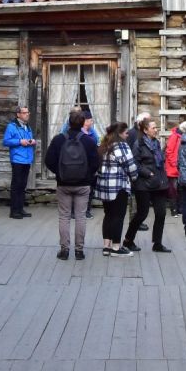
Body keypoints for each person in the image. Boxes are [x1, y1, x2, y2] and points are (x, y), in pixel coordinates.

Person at [44, 108, 99, 260]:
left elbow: (48, 161)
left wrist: (59, 172)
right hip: (83, 184)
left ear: (68, 122)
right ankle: (79, 251)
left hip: (63, 184)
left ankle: (64, 250)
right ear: (82, 122)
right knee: (81, 217)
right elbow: (96, 162)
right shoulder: (89, 141)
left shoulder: (58, 139)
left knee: (64, 217)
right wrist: (87, 175)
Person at [123, 115, 170, 252]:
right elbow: (135, 163)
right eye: (153, 128)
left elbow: (160, 161)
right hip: (144, 184)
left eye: (156, 127)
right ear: (145, 130)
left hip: (159, 182)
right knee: (142, 214)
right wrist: (148, 173)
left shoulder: (156, 143)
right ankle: (128, 240)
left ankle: (157, 243)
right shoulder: (139, 144)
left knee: (161, 213)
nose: (156, 130)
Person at [94, 122, 136, 257]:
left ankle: (106, 246)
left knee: (108, 215)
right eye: (126, 132)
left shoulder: (104, 145)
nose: (127, 135)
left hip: (104, 185)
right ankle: (116, 248)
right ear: (120, 133)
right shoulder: (122, 146)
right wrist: (134, 177)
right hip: (118, 186)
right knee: (118, 216)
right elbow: (130, 166)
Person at [2, 104, 37, 218]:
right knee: (16, 185)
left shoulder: (28, 126)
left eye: (28, 113)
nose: (27, 115)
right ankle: (14, 211)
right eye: (25, 113)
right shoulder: (11, 126)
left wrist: (32, 141)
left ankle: (20, 209)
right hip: (17, 159)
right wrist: (19, 141)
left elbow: (27, 139)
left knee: (22, 185)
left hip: (27, 160)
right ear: (18, 114)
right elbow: (6, 141)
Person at [81, 112, 99, 218]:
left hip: (91, 166)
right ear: (85, 121)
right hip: (82, 165)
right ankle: (78, 211)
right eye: (90, 120)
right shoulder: (80, 133)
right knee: (82, 189)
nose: (92, 122)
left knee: (90, 189)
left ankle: (87, 210)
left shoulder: (92, 131)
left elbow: (96, 142)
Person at [164, 121, 182, 215]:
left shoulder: (179, 136)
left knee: (178, 189)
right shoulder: (175, 136)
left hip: (177, 167)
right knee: (173, 189)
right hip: (172, 167)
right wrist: (174, 163)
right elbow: (169, 151)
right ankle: (174, 209)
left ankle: (178, 209)